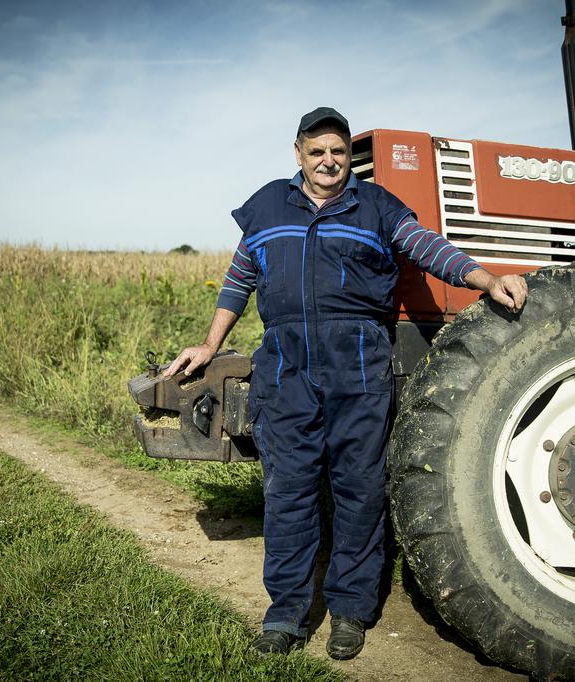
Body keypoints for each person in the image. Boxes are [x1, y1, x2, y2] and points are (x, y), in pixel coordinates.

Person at [165, 107, 527, 660]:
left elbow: (427, 248)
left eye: (336, 151)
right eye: (316, 152)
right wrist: (210, 344)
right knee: (289, 492)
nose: (328, 161)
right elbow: (241, 278)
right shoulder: (267, 204)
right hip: (286, 367)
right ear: (298, 154)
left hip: (357, 364)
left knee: (359, 489)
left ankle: (351, 611)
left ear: (346, 157)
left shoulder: (375, 205)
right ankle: (285, 615)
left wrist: (483, 278)